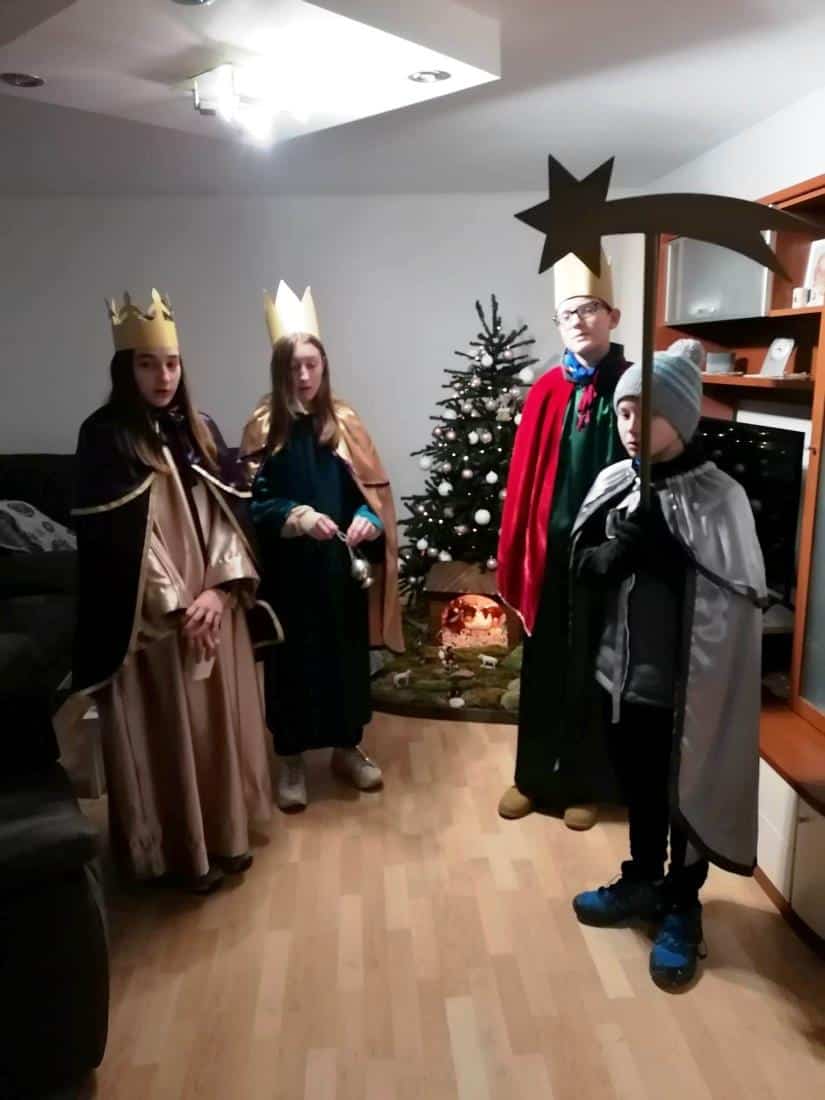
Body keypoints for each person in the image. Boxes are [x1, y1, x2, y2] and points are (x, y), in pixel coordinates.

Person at [67, 289, 277, 894]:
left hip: (214, 608)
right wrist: (180, 606)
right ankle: (177, 853)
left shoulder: (200, 429)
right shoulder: (104, 438)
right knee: (167, 735)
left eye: (172, 363)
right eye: (147, 364)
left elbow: (229, 517)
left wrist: (220, 591)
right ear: (124, 369)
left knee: (214, 730)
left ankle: (226, 837)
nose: (163, 377)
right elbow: (117, 544)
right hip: (153, 622)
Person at [570, 350, 766, 989]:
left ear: (680, 418)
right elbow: (581, 566)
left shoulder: (720, 496)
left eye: (646, 412)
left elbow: (736, 597)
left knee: (684, 791)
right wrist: (612, 554)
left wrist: (673, 556)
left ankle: (682, 903)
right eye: (624, 411)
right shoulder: (616, 482)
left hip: (683, 689)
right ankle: (642, 881)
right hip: (619, 678)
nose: (630, 425)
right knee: (641, 790)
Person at [244, 282, 402, 811]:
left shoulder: (345, 423)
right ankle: (290, 757)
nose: (305, 376)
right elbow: (248, 504)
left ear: (324, 366)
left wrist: (365, 521)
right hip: (289, 574)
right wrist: (295, 515)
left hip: (339, 571)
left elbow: (371, 494)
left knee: (343, 661)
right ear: (280, 370)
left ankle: (346, 748)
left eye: (312, 364)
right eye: (294, 367)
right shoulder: (263, 428)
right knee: (292, 665)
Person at [497, 252, 629, 829]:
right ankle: (532, 778)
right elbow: (525, 481)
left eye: (590, 309)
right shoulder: (547, 389)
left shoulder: (631, 385)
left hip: (605, 555)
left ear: (613, 316)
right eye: (567, 312)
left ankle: (584, 784)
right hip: (548, 556)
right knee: (543, 662)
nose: (578, 321)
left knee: (592, 667)